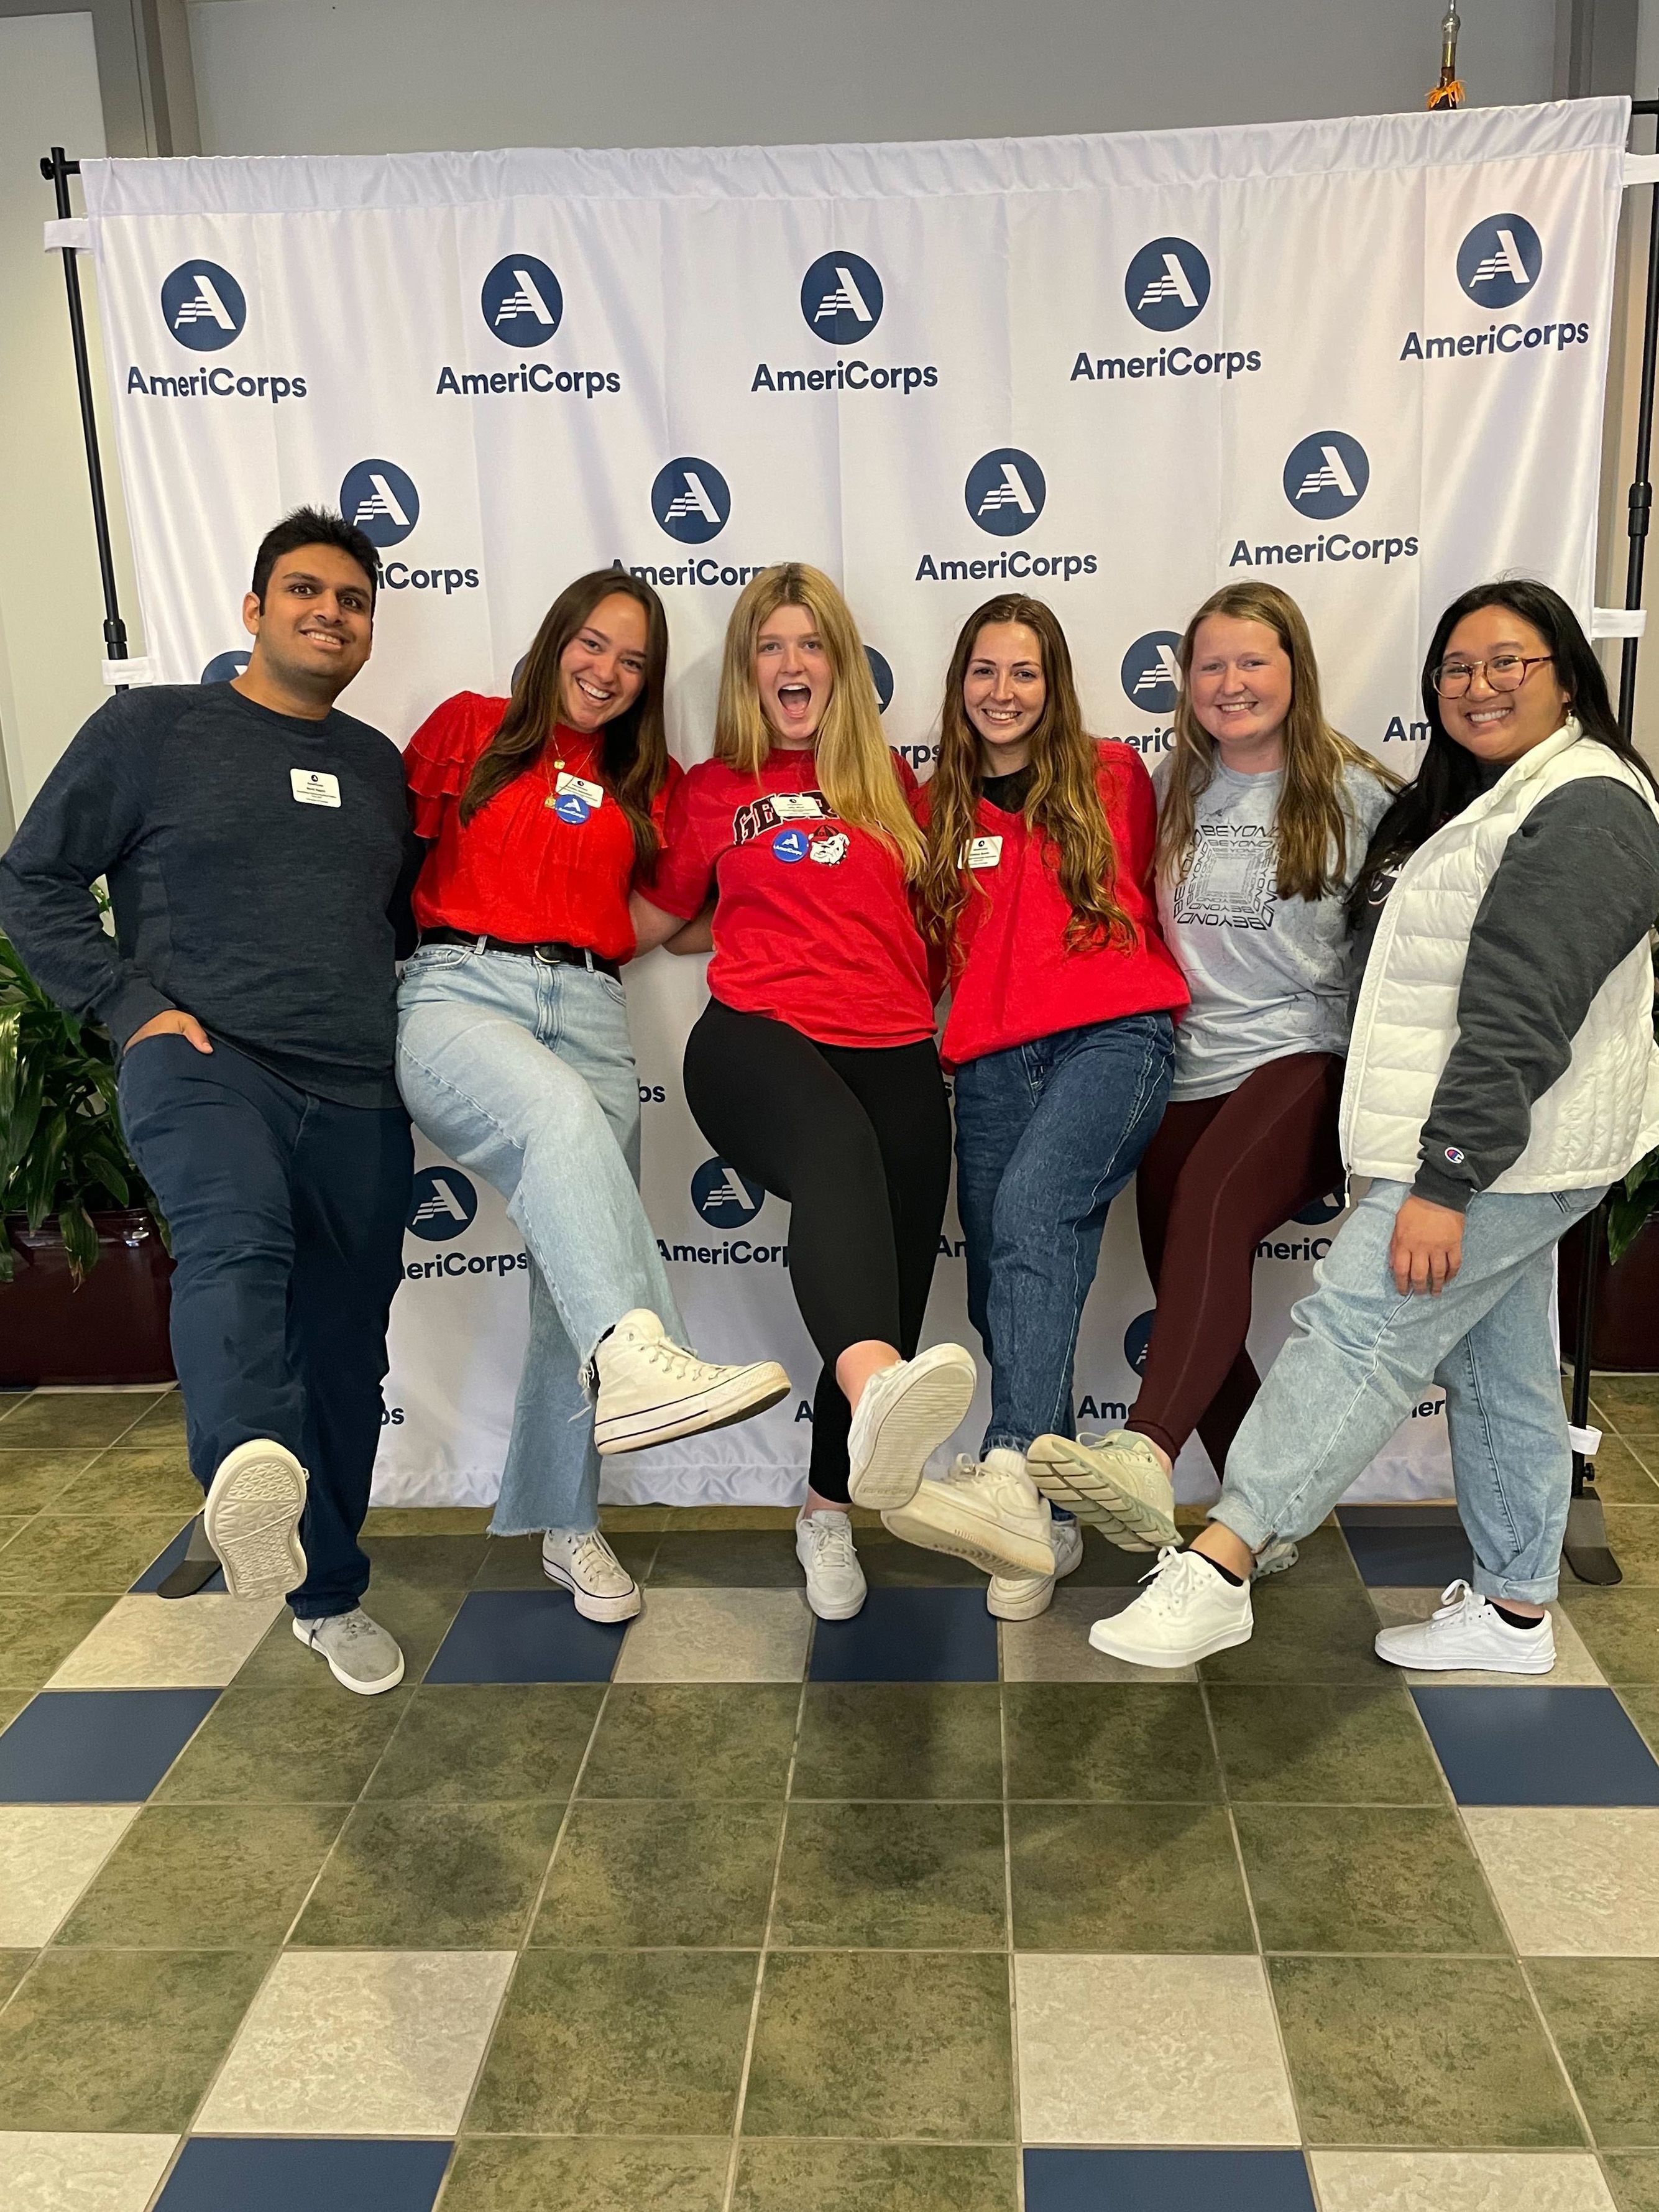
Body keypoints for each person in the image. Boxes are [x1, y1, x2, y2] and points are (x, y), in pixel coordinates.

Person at [1090, 579, 1659, 1672]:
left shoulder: (1587, 805)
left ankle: (1221, 1559)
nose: (1478, 685)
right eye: (1456, 668)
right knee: (1496, 1365)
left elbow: (1520, 1012)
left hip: (1494, 1149)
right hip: (1488, 1139)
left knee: (1356, 1329)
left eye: (1508, 663)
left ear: (1566, 676)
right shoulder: (1491, 796)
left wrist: (1443, 1181)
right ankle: (1514, 1610)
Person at [0, 507, 424, 1694]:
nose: (329, 614)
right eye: (304, 591)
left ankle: (326, 1592)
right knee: (235, 1240)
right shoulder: (154, 726)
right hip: (204, 1058)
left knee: (345, 1355)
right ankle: (243, 1465)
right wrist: (125, 1006)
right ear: (252, 609)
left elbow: (382, 929)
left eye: (352, 601)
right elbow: (29, 878)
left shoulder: (375, 765)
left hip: (355, 1091)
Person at [395, 569, 788, 1621]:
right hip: (456, 988)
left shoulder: (645, 782)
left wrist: (780, 912)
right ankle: (651, 1356)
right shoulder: (469, 727)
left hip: (591, 1005)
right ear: (556, 634)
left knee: (578, 1281)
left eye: (633, 661)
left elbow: (678, 908)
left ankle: (568, 1525)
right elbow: (376, 871)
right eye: (594, 644)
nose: (607, 672)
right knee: (564, 1132)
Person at [1027, 581, 1397, 1566]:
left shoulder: (1358, 791)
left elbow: (1412, 950)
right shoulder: (1171, 785)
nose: (1231, 684)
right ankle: (1258, 1519)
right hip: (1188, 1069)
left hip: (1301, 1058)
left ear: (1293, 671)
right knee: (1189, 1276)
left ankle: (1144, 1452)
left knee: (1209, 1208)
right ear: (1185, 681)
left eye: (1253, 663)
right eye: (1211, 666)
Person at [634, 563, 977, 1620]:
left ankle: (827, 1509)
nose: (792, 664)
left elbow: (932, 924)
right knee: (837, 1154)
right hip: (755, 1039)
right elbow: (649, 922)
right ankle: (884, 1397)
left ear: (840, 664)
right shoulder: (709, 789)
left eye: (811, 644)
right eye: (770, 646)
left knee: (891, 1287)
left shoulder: (896, 788)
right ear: (747, 670)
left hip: (894, 1046)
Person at [881, 595, 1187, 1621]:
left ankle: (1008, 1465)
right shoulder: (933, 803)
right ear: (958, 682)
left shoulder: (1110, 775)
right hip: (987, 1060)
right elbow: (921, 944)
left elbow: (1143, 895)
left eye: (1023, 673)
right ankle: (1042, 1525)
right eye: (983, 672)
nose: (1001, 693)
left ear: (1052, 685)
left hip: (1113, 1035)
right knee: (1005, 1281)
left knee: (1030, 1217)